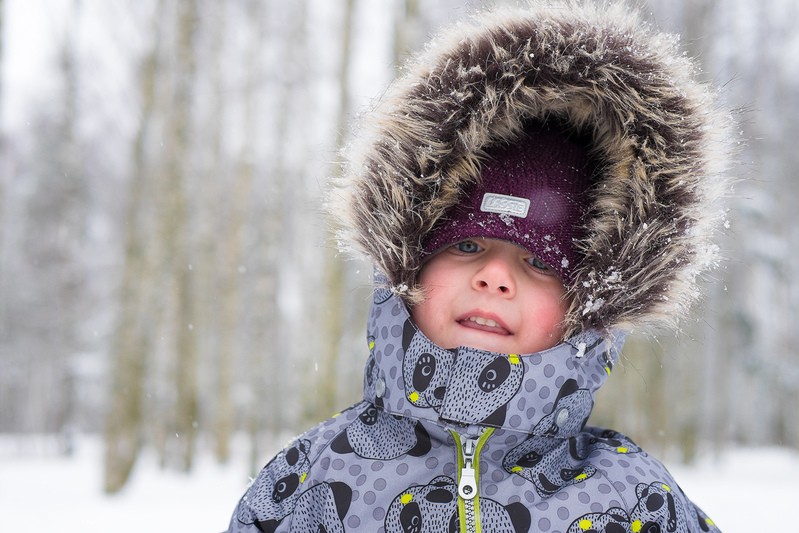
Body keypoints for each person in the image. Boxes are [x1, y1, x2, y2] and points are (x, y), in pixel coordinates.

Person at [225, 2, 730, 532]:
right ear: (408, 264)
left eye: (539, 260)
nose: (494, 276)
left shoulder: (630, 499)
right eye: (466, 245)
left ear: (589, 304)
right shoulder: (311, 479)